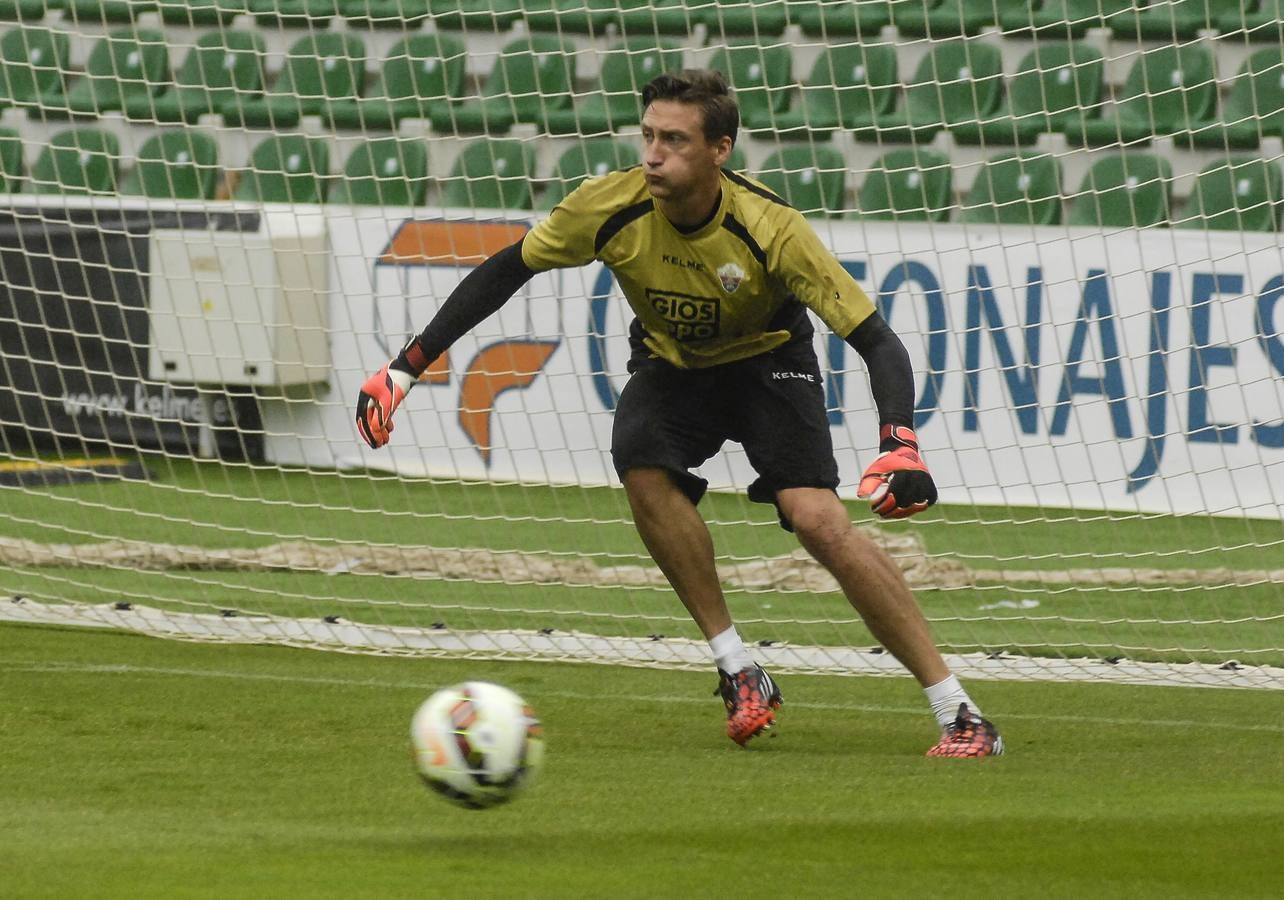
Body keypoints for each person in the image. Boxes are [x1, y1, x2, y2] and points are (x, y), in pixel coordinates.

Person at [356, 69, 1003, 758]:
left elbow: (876, 339)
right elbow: (507, 269)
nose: (653, 155)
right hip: (674, 366)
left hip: (768, 363)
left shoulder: (773, 228)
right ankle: (738, 668)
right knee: (641, 463)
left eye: (674, 140)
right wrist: (406, 368)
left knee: (820, 522)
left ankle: (959, 711)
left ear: (719, 149)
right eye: (648, 136)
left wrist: (899, 441)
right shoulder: (608, 205)